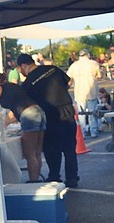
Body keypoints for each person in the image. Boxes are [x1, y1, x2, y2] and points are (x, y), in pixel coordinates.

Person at [17, 53, 79, 188]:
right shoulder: (53, 69)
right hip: (66, 109)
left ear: (23, 66)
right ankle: (72, 178)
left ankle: (54, 177)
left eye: (20, 69)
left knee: (52, 148)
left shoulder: (27, 84)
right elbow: (68, 82)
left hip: (50, 114)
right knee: (69, 148)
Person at [0, 66, 46, 182]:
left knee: (29, 153)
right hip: (38, 111)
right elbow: (16, 107)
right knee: (37, 151)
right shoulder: (11, 86)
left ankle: (33, 181)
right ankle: (36, 179)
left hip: (28, 114)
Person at [67, 49, 101, 138]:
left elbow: (68, 78)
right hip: (91, 91)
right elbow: (99, 76)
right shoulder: (94, 64)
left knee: (81, 114)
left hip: (79, 92)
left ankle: (82, 133)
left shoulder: (74, 65)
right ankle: (94, 132)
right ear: (88, 55)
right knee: (92, 113)